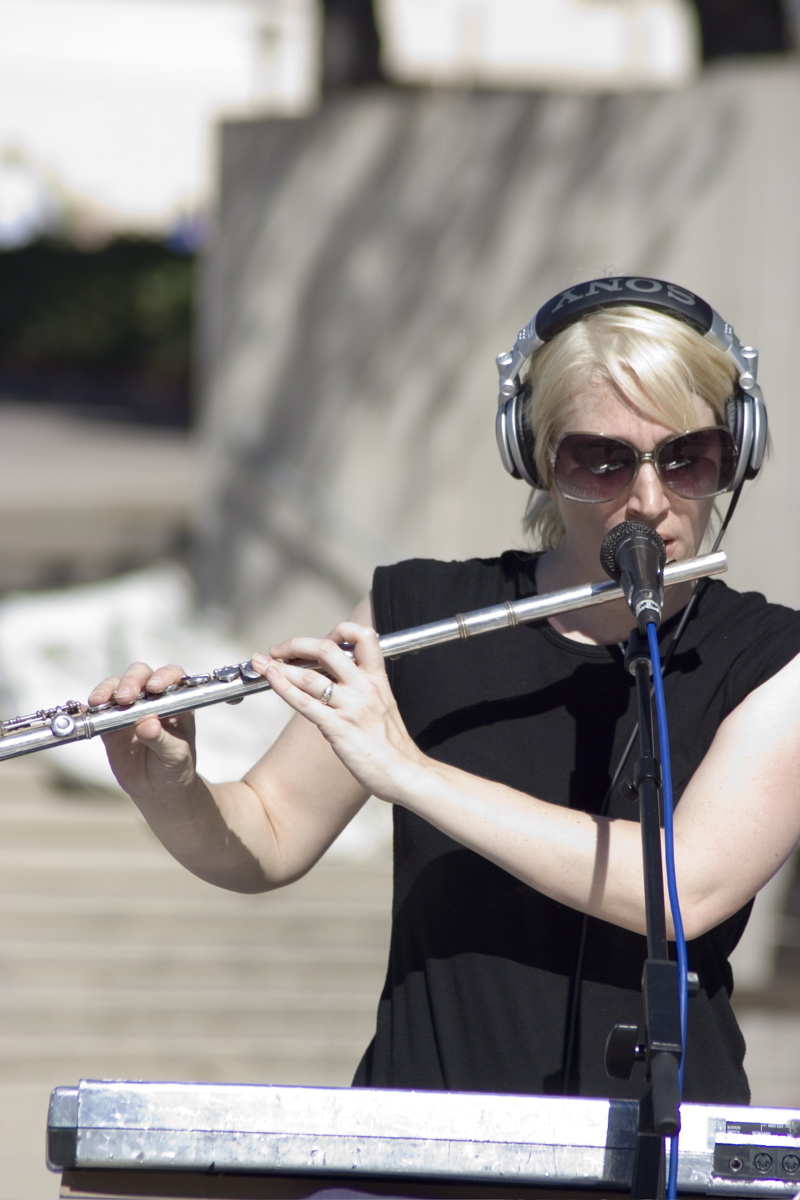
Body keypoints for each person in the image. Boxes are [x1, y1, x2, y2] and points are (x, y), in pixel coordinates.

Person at [90, 277, 800, 1105]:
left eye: (688, 458)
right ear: (537, 458)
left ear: (736, 453)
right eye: (600, 461)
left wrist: (412, 774)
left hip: (661, 1138)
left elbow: (685, 891)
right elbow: (269, 838)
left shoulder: (773, 659)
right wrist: (171, 789)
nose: (648, 500)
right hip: (422, 1132)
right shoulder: (416, 612)